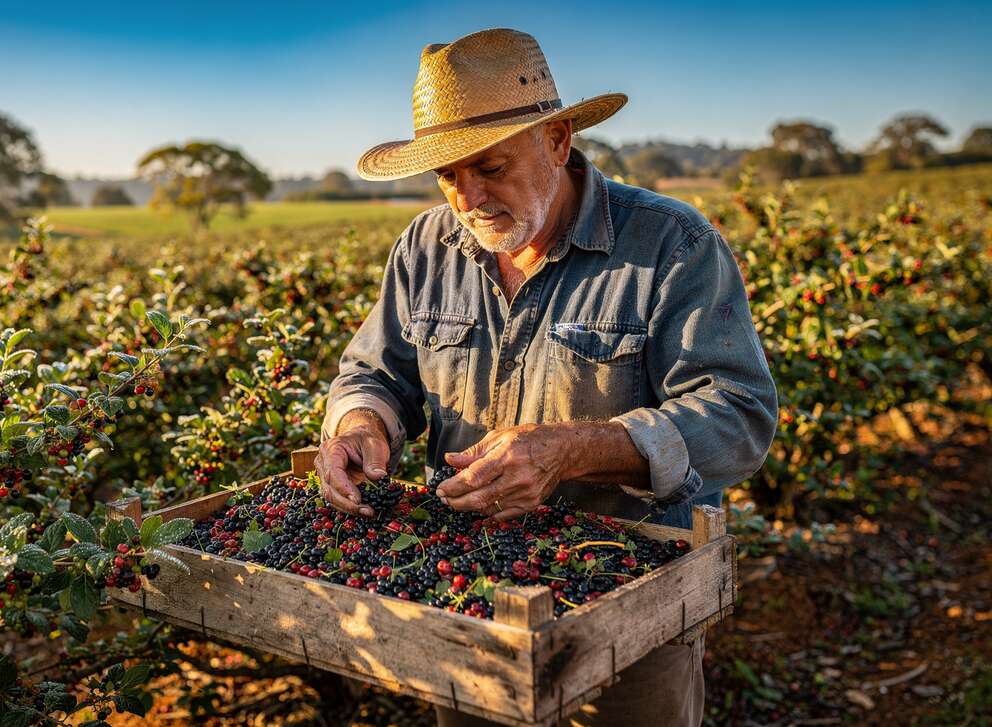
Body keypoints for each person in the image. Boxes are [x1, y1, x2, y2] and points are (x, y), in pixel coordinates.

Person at [313, 27, 778, 726]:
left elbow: (738, 416)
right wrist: (359, 425)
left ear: (557, 140)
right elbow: (375, 370)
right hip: (469, 590)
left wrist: (576, 448)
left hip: (630, 586)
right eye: (447, 175)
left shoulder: (670, 246)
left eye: (491, 167)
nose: (467, 197)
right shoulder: (424, 248)